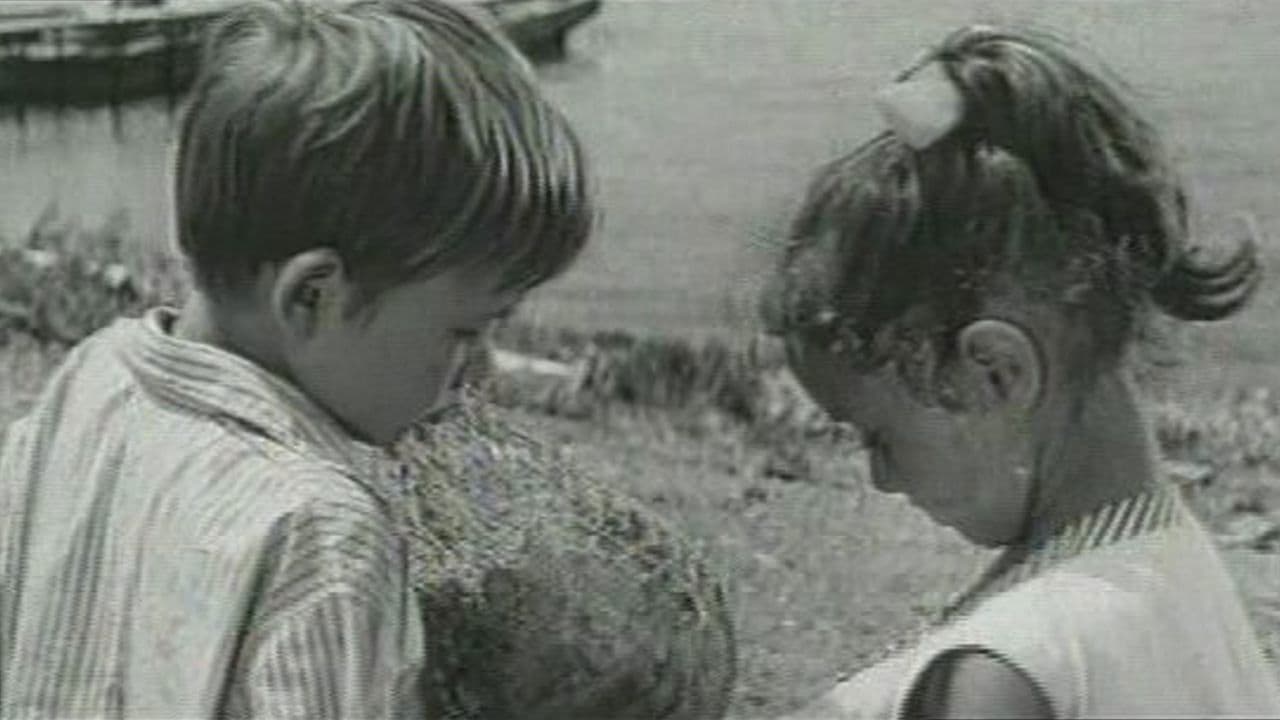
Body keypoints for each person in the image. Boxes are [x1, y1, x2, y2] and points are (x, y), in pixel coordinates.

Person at [0, 0, 592, 716]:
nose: (481, 374)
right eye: (465, 332)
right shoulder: (325, 534)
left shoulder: (91, 382)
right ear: (313, 295)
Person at [762, 24, 1280, 719]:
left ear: (996, 373)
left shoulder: (1005, 671)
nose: (880, 478)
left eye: (877, 436)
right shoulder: (1165, 565)